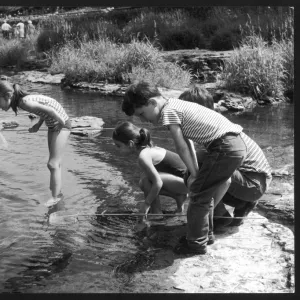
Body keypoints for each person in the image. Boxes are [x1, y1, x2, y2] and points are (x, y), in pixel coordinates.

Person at [121, 81, 271, 255]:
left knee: (199, 194)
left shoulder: (168, 111)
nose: (143, 120)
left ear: (153, 103)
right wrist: (193, 173)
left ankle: (196, 243)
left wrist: (196, 178)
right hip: (229, 147)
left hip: (229, 150)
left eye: (142, 114)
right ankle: (207, 232)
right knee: (196, 179)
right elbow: (189, 144)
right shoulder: (176, 105)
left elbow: (181, 147)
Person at [178, 84, 272, 228]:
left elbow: (224, 178)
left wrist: (200, 209)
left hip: (252, 185)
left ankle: (219, 216)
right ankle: (241, 207)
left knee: (198, 168)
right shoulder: (217, 126)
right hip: (255, 184)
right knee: (198, 168)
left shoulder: (219, 134)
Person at [0, 80, 72, 207]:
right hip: (53, 124)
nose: (0, 107)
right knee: (55, 164)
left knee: (53, 164)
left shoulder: (24, 102)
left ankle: (55, 199)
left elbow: (51, 110)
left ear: (7, 96)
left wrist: (61, 123)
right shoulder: (22, 101)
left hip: (60, 124)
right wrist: (38, 126)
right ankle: (56, 194)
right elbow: (43, 111)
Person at [112, 121, 188, 216]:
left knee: (146, 180)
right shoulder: (149, 149)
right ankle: (178, 196)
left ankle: (156, 214)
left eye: (118, 146)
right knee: (144, 180)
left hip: (190, 183)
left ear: (131, 144)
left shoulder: (144, 156)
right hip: (186, 181)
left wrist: (146, 204)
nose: (116, 148)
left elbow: (158, 183)